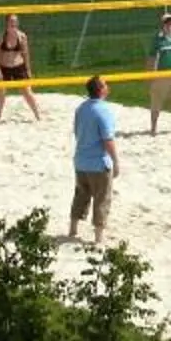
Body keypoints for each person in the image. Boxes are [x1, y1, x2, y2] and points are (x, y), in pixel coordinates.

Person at [67, 73, 123, 244]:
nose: (108, 86)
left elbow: (77, 132)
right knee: (102, 199)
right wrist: (116, 161)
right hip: (98, 163)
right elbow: (108, 140)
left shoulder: (81, 108)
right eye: (105, 84)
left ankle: (73, 229)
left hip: (80, 161)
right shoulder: (103, 110)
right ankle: (98, 237)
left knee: (80, 195)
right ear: (100, 90)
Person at [0, 14, 42, 123]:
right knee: (0, 93)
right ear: (6, 23)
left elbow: (26, 55)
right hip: (4, 67)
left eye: (15, 21)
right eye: (11, 21)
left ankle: (38, 116)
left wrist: (28, 70)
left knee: (27, 92)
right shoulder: (0, 37)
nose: (13, 23)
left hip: (19, 67)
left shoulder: (22, 36)